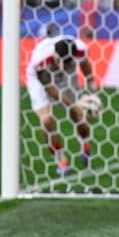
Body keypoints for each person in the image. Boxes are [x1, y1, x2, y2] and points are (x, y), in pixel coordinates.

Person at [25, 30, 98, 175]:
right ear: (55, 56)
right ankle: (60, 158)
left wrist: (91, 85)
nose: (64, 65)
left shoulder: (80, 50)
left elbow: (84, 64)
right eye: (61, 62)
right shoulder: (40, 61)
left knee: (78, 116)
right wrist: (72, 105)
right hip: (40, 79)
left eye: (68, 62)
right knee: (47, 119)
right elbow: (49, 89)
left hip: (66, 78)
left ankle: (84, 143)